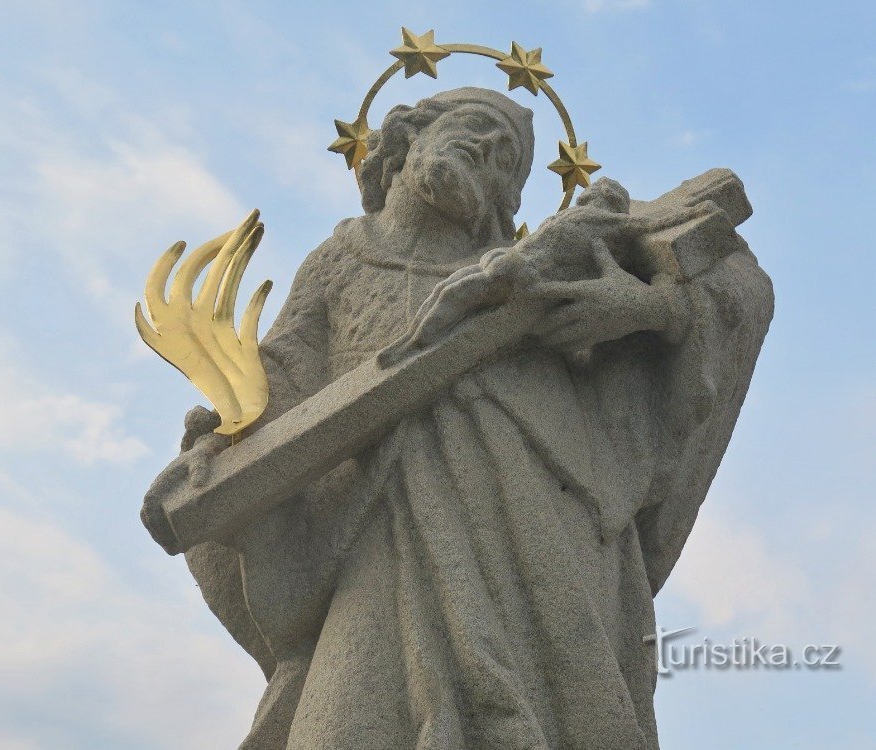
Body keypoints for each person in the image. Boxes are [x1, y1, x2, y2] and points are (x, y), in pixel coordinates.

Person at [143, 87, 773, 749]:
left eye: (509, 160)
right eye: (476, 128)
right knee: (348, 716)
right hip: (378, 529)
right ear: (406, 139)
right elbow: (281, 376)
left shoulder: (540, 272)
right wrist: (219, 440)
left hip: (532, 525)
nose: (487, 155)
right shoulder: (340, 262)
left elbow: (729, 282)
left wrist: (649, 310)